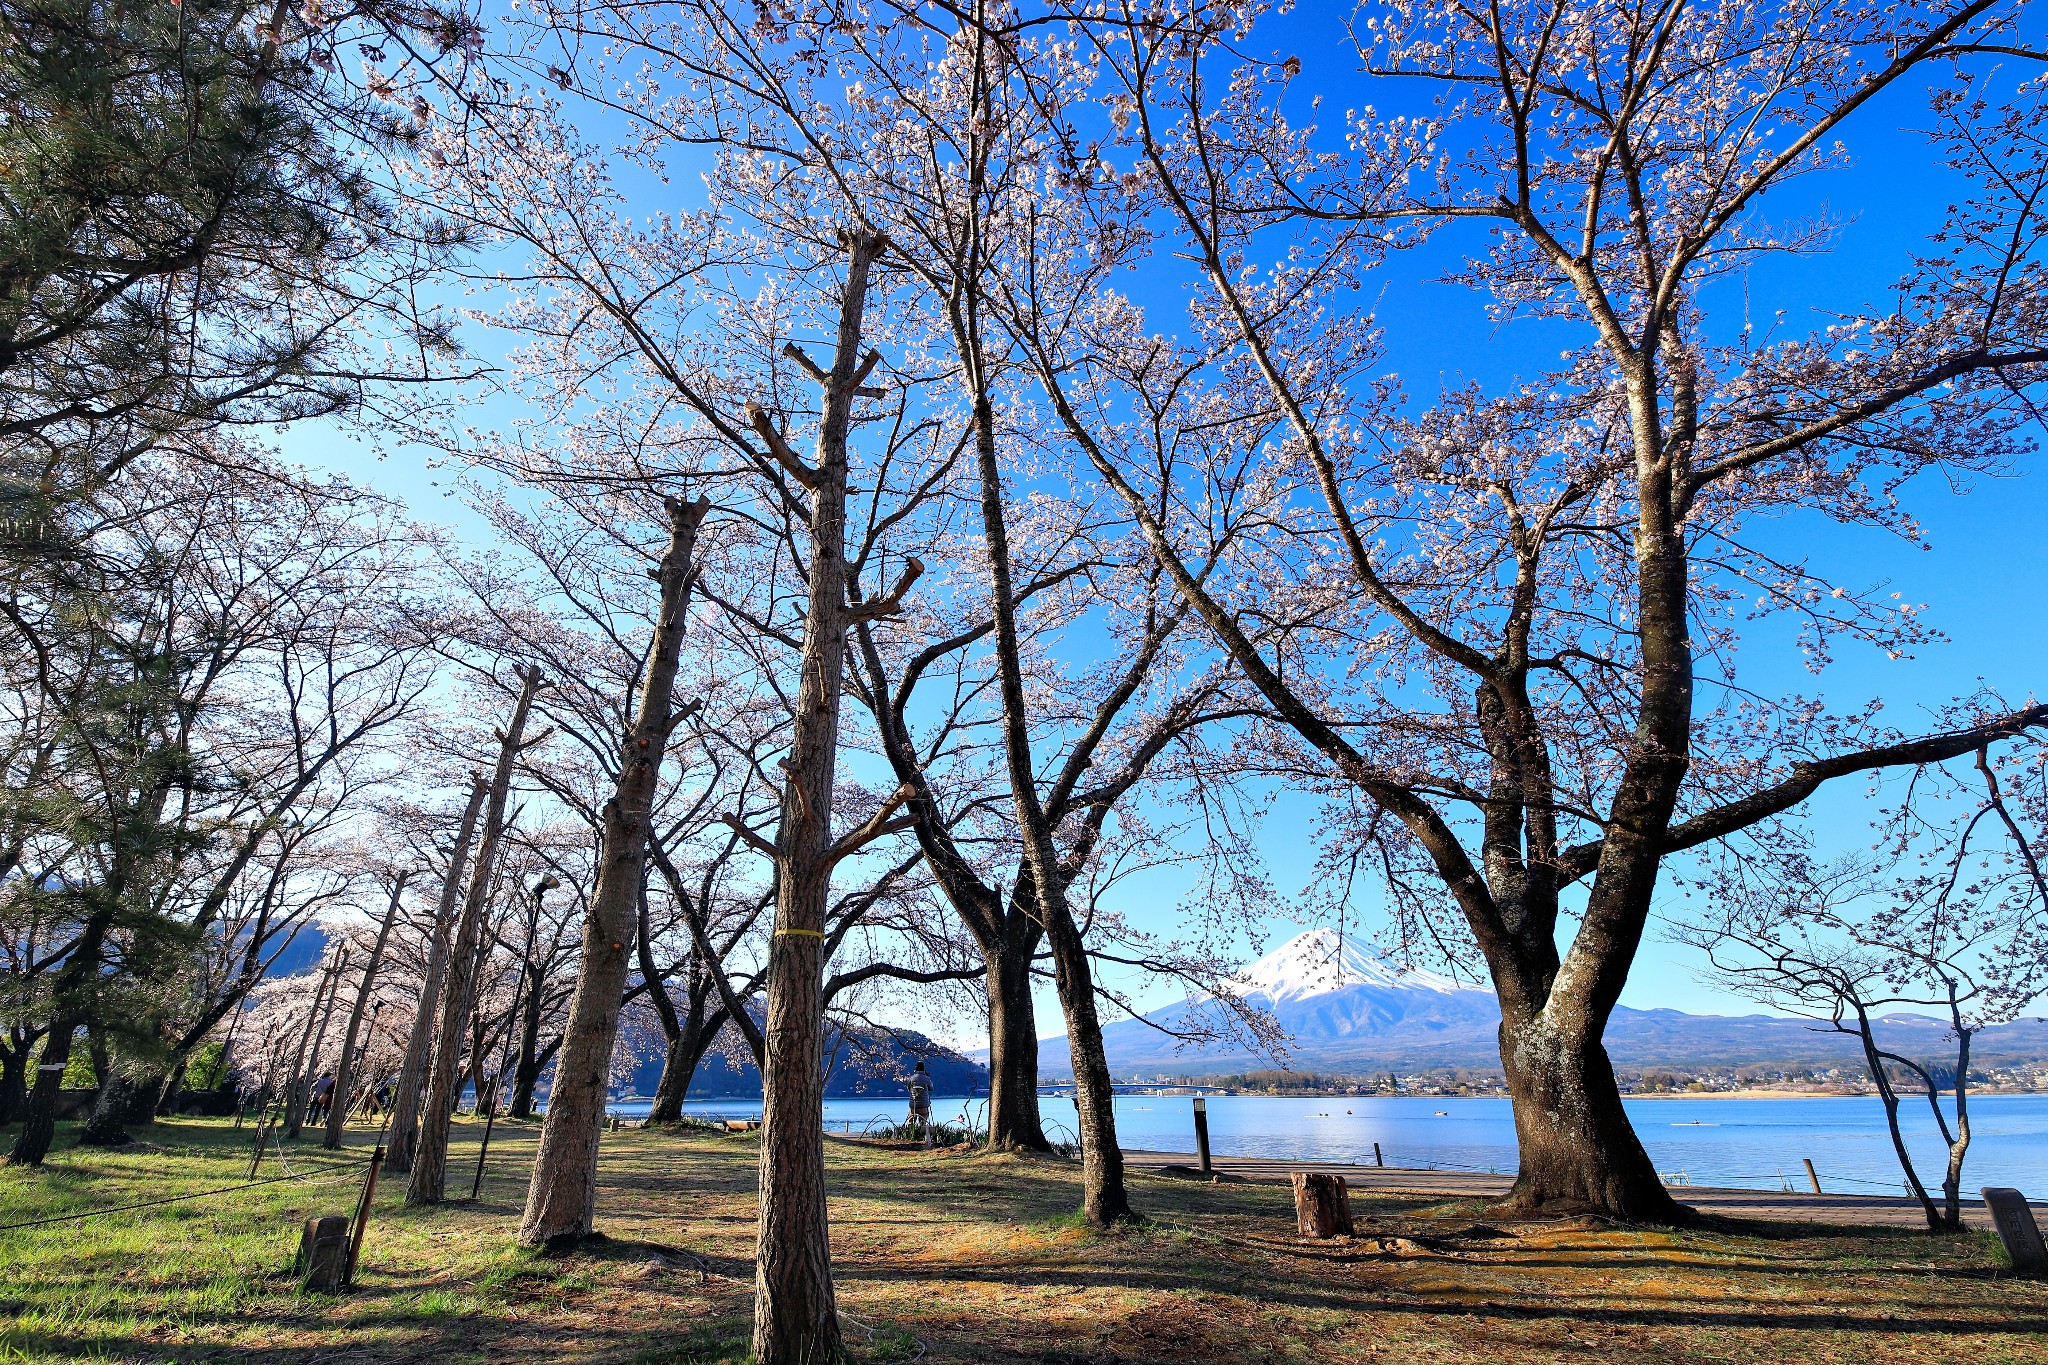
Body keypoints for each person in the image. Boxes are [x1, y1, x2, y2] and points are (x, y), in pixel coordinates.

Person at [905, 1060, 932, 1138]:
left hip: (913, 1104)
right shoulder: (927, 1078)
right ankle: (922, 1137)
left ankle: (910, 1136)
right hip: (924, 1104)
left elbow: (908, 1088)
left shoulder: (911, 1078)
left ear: (915, 1069)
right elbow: (931, 1088)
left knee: (911, 1121)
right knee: (923, 1121)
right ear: (924, 1069)